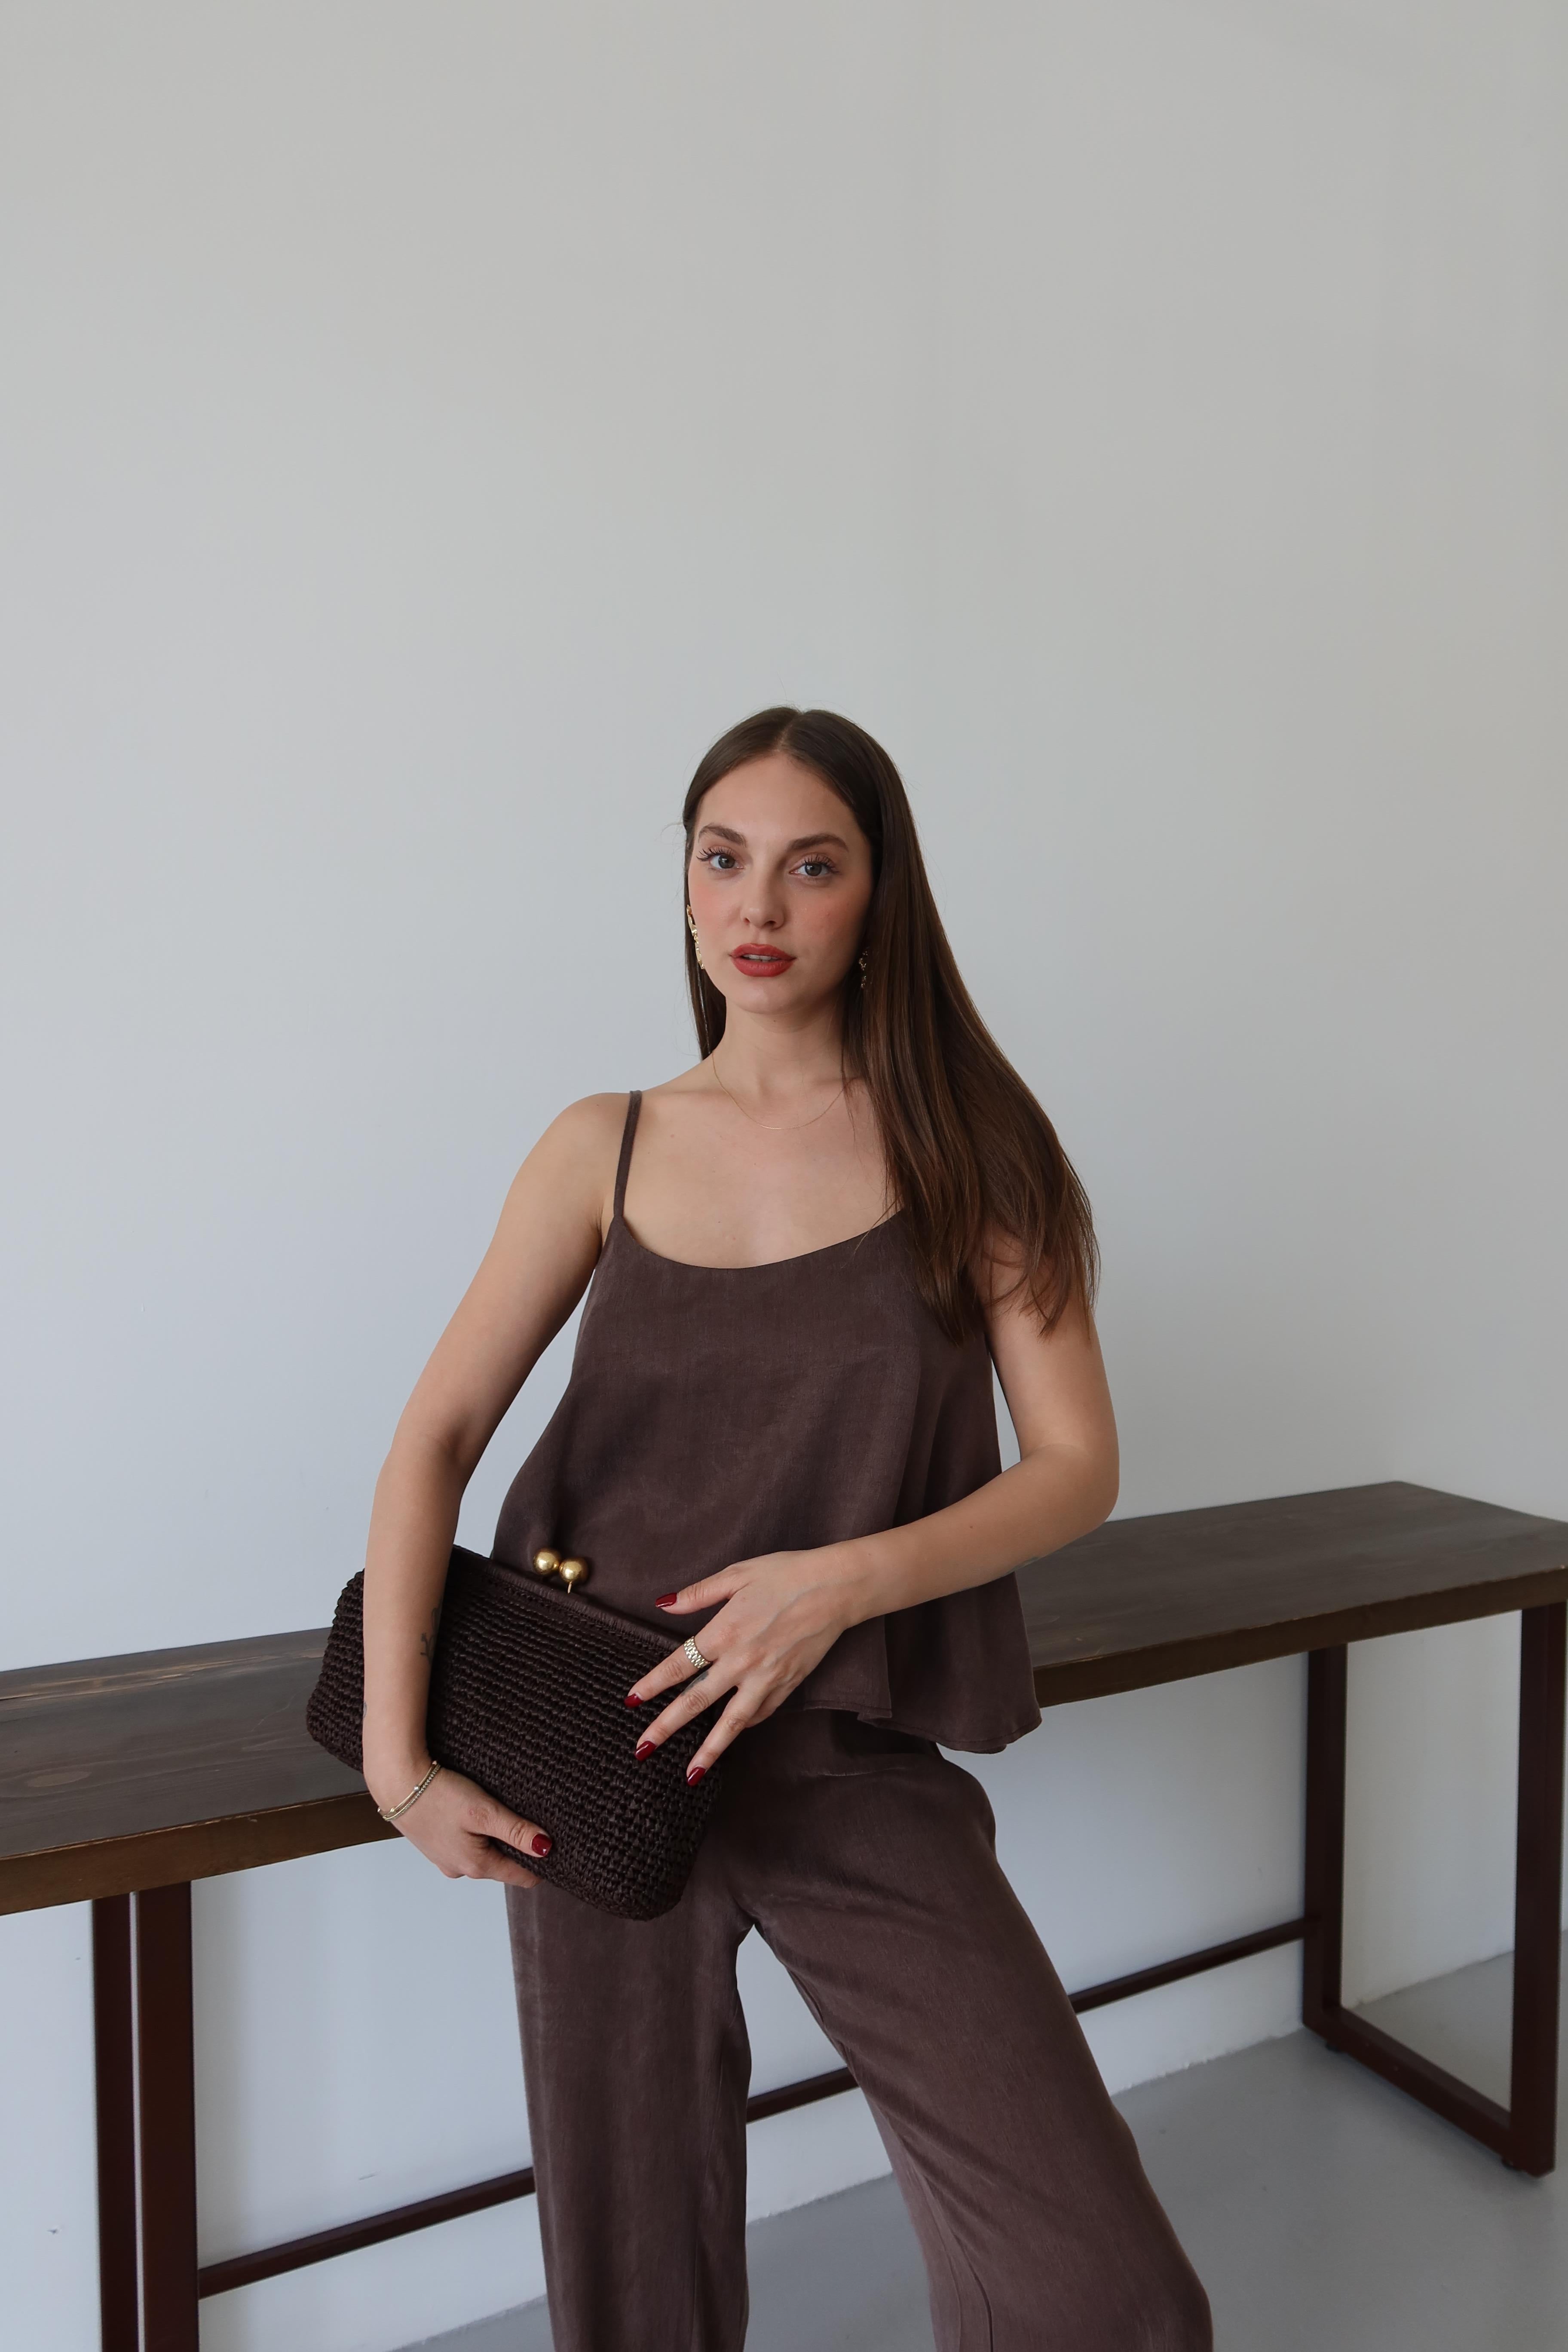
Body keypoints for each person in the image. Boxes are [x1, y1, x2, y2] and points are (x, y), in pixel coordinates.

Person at [359, 708, 1212, 2352]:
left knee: (1106, 2293)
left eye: (813, 867)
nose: (759, 904)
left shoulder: (976, 1153)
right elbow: (436, 1441)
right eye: (723, 858)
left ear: (880, 896)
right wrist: (400, 1766)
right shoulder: (601, 1144)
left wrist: (843, 1582)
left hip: (846, 1755)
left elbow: (1078, 1464)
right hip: (595, 1755)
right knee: (637, 2294)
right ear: (684, 884)